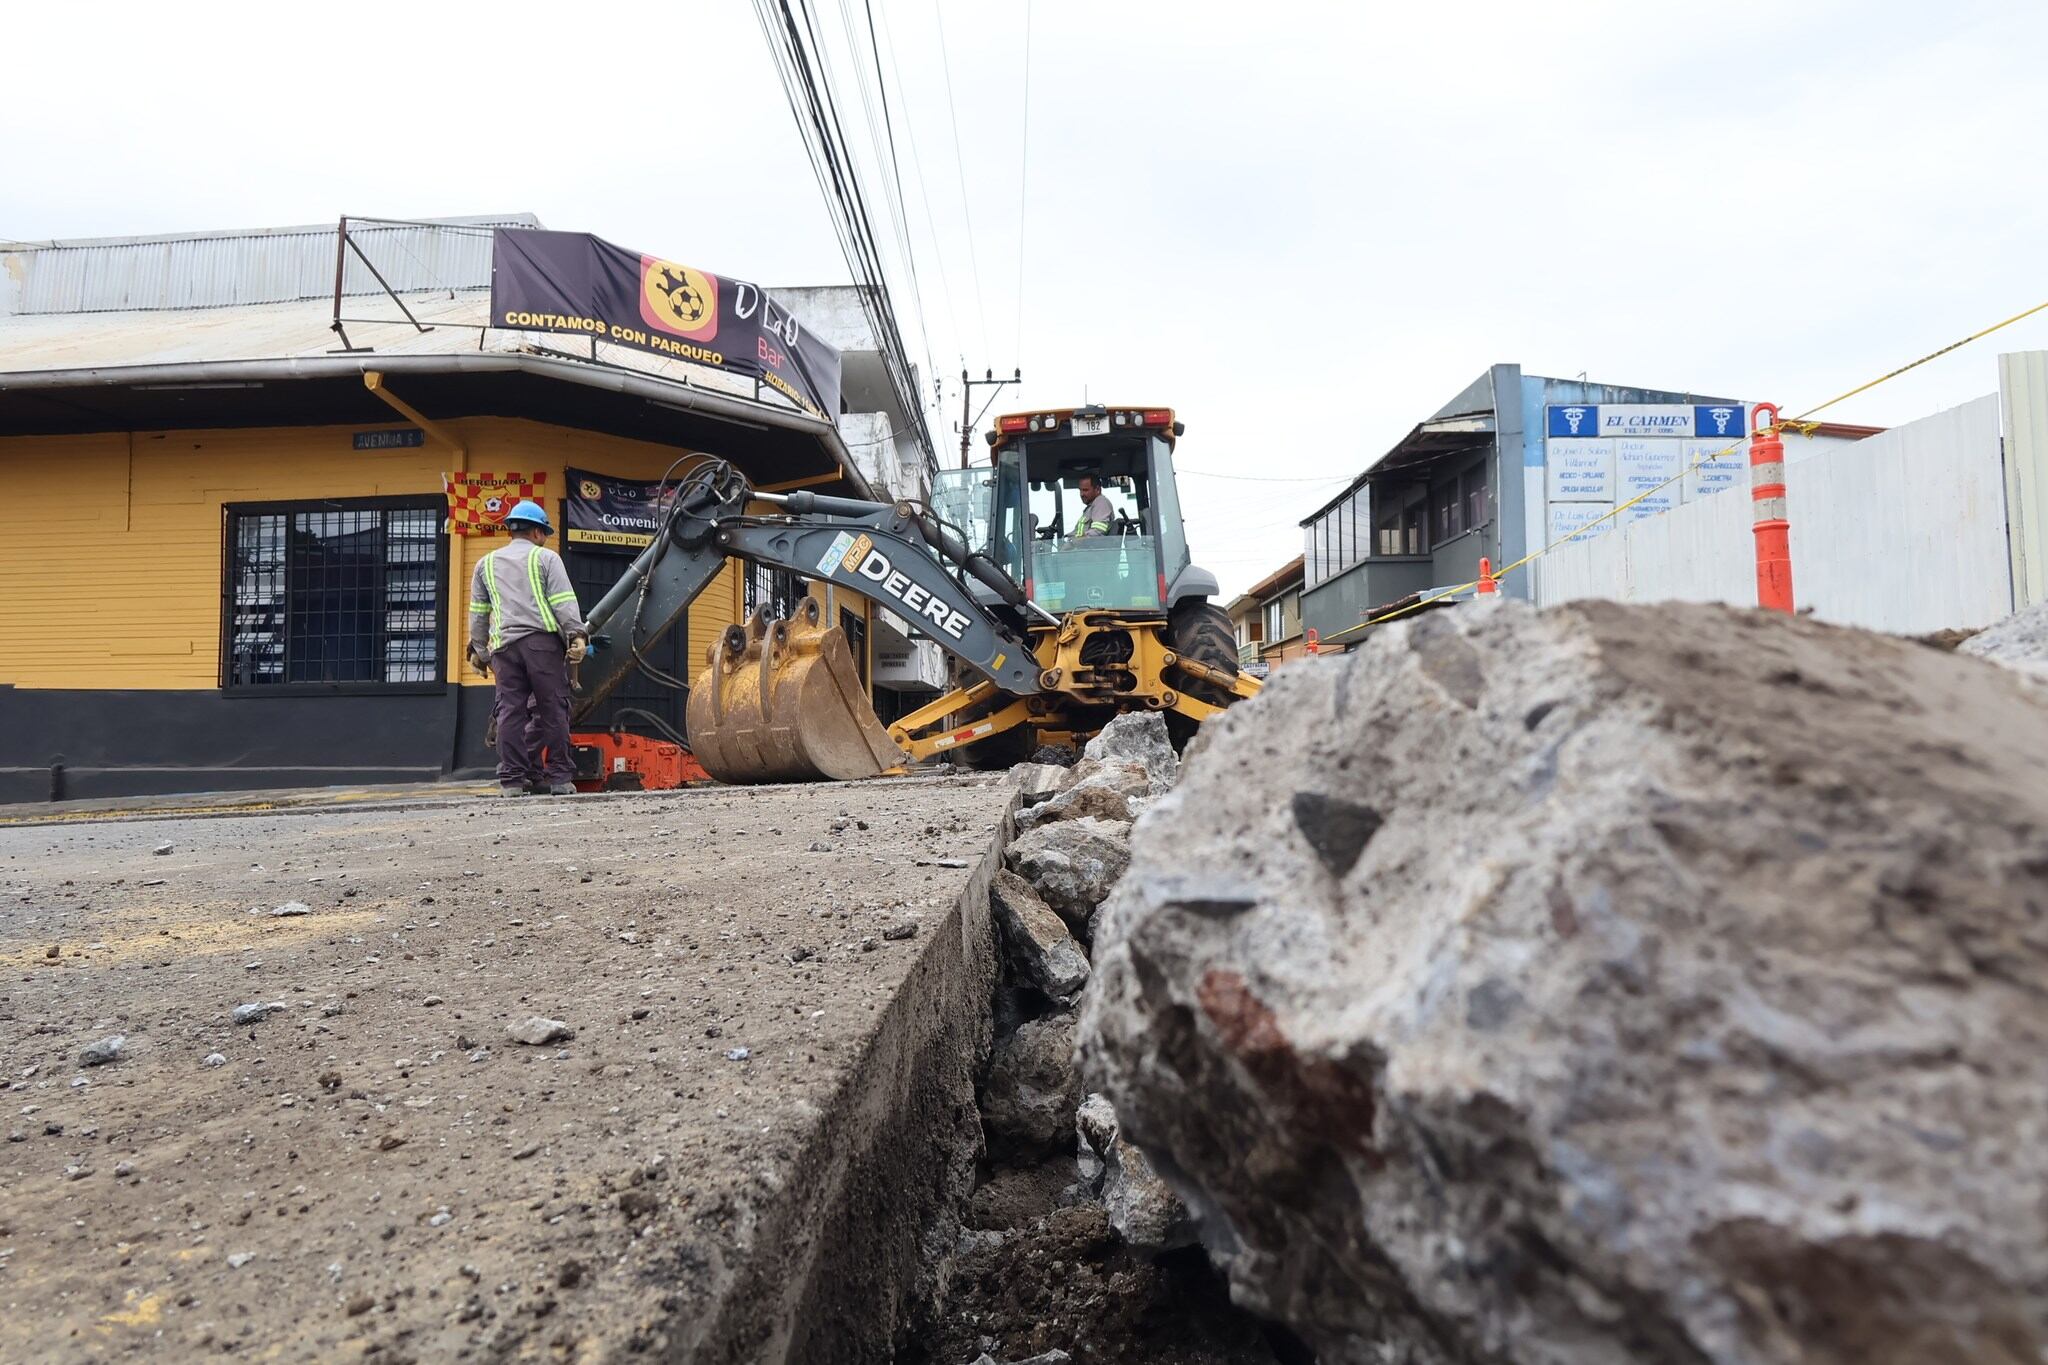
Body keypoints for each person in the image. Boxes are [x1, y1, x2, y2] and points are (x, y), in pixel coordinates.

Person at [467, 500, 588, 797]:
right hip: (541, 645)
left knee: (510, 712)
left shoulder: (486, 564)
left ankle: (511, 781)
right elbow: (563, 603)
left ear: (512, 529)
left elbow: (478, 613)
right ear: (536, 531)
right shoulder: (545, 559)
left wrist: (480, 652)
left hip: (503, 649)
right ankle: (559, 778)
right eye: (544, 532)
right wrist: (577, 636)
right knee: (553, 709)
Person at [1072, 474, 1115, 539]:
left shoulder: (1101, 502)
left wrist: (1074, 543)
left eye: (1085, 490)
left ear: (1097, 489)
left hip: (1086, 548)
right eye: (1080, 490)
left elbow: (1098, 531)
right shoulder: (1091, 506)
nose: (1081, 494)